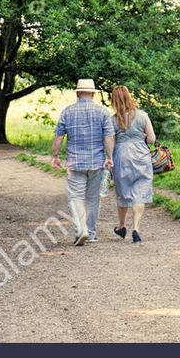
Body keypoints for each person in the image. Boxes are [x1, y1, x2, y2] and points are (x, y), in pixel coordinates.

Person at [51, 79, 115, 245]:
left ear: (78, 93)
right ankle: (91, 233)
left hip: (75, 162)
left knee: (76, 197)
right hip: (96, 162)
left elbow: (59, 135)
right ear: (93, 93)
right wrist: (110, 157)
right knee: (93, 199)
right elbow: (109, 137)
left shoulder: (67, 111)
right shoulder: (102, 112)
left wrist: (55, 156)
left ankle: (81, 229)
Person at [110, 85, 156, 244]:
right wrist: (141, 136)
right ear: (129, 97)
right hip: (140, 155)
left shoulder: (113, 119)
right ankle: (136, 228)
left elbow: (111, 142)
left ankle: (122, 226)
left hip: (121, 156)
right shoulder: (142, 115)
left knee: (123, 192)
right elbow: (151, 140)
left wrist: (109, 160)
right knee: (140, 190)